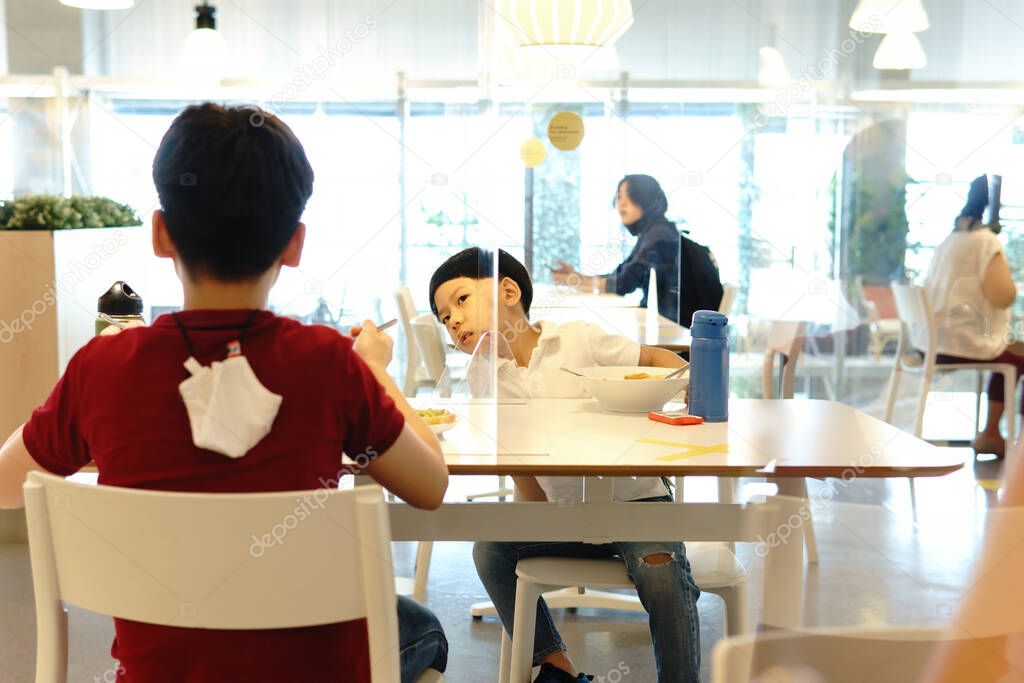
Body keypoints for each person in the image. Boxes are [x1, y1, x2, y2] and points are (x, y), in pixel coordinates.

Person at [0, 103, 449, 683]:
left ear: (161, 234)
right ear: (295, 244)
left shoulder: (101, 366)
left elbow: (6, 486)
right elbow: (431, 485)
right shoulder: (329, 363)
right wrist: (377, 370)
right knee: (425, 629)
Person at [429, 247, 702, 683]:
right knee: (490, 550)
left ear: (508, 290)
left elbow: (652, 360)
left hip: (637, 505)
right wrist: (531, 520)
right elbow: (516, 463)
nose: (453, 320)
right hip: (566, 516)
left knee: (663, 573)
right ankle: (557, 666)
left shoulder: (577, 339)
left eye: (460, 300)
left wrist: (695, 386)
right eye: (444, 318)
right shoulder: (484, 375)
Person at [922, 174, 1021, 458]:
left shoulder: (948, 241)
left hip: (930, 342)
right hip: (958, 344)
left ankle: (991, 431)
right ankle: (991, 433)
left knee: (1010, 357)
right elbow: (1004, 295)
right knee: (1016, 361)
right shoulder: (985, 242)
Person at [550, 173, 722, 327]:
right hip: (668, 324)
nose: (621, 203)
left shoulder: (658, 234)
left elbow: (623, 283)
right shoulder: (653, 232)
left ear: (645, 199)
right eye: (618, 196)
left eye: (629, 195)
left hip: (674, 329)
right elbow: (621, 274)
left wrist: (577, 280)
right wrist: (577, 278)